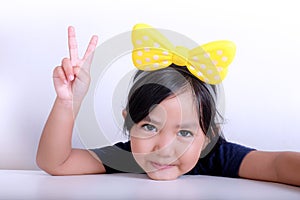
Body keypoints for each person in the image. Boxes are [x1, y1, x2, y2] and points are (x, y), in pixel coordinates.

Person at [36, 24, 300, 186]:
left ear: (208, 136)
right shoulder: (128, 157)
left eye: (185, 133)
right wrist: (69, 102)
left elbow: (277, 164)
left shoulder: (217, 157)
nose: (164, 149)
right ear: (128, 121)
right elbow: (56, 163)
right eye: (150, 127)